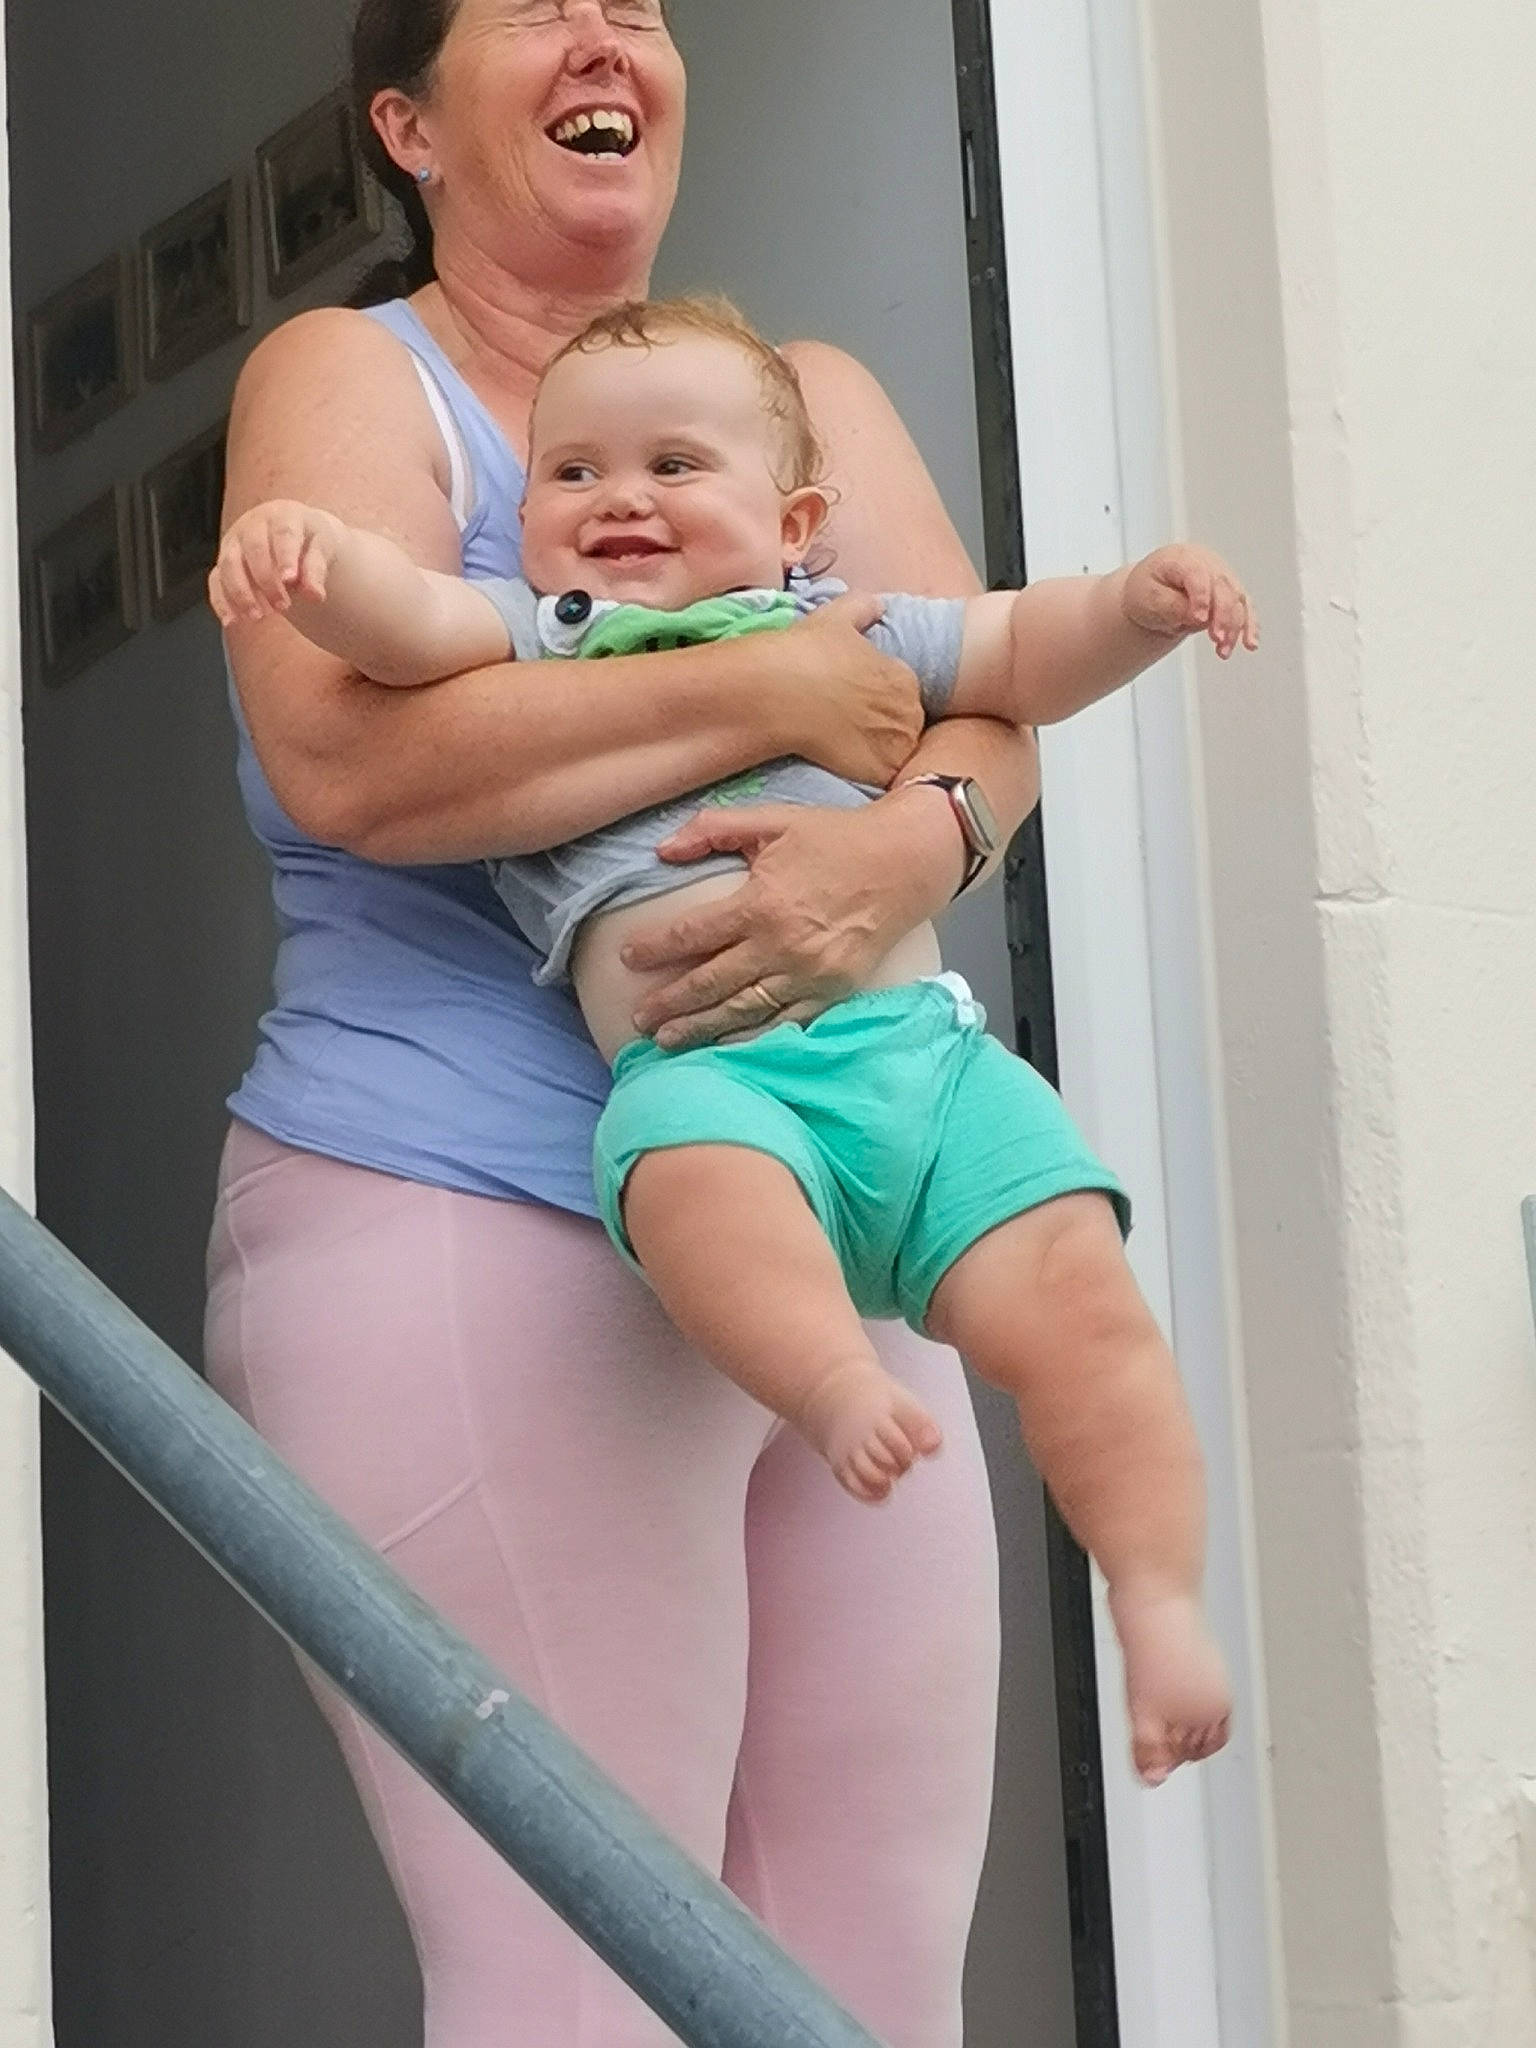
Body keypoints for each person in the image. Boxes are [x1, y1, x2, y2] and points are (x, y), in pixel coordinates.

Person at [203, 4, 1051, 2046]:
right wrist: (768, 690)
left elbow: (985, 706)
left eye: (642, 1)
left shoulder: (810, 398)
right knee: (580, 1989)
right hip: (465, 1219)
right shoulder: (352, 374)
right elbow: (349, 761)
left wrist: (912, 847)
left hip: (828, 1213)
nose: (612, 28)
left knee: (866, 1982)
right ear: (407, 121)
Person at [212, 289, 1252, 1782]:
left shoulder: (854, 619)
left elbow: (1022, 653)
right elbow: (406, 624)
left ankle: (1156, 1603)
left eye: (672, 469)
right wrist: (312, 568)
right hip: (711, 1080)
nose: (617, 499)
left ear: (796, 520)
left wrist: (1142, 604)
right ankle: (829, 1379)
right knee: (700, 1196)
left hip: (927, 1066)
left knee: (1088, 1305)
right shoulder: (550, 632)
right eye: (571, 476)